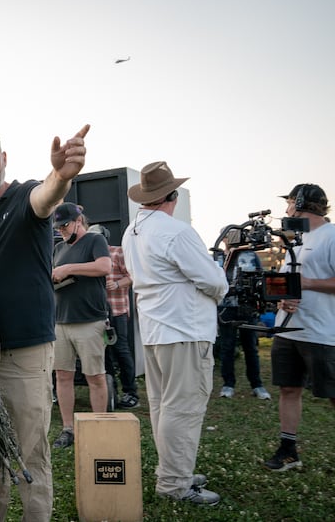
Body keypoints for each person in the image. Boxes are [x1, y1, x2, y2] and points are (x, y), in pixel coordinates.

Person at [0, 124, 90, 521]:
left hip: (26, 352)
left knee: (29, 454)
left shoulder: (25, 197)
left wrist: (61, 176)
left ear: (4, 159)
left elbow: (47, 197)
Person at [122, 161, 228, 506]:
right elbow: (214, 281)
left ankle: (174, 470)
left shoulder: (131, 231)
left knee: (164, 407)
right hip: (186, 329)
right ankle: (175, 483)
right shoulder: (176, 231)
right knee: (182, 408)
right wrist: (220, 286)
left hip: (155, 330)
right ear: (171, 197)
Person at [264, 183, 335, 472]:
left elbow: (306, 282)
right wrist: (282, 299)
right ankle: (288, 450)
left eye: (290, 202)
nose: (286, 209)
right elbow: (286, 283)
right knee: (288, 389)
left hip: (322, 331)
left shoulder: (331, 236)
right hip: (288, 329)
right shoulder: (296, 240)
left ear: (304, 203)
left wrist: (305, 284)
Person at [51, 203, 111, 449]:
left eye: (65, 225)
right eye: (58, 227)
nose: (62, 231)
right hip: (60, 320)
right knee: (63, 376)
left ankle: (99, 427)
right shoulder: (58, 248)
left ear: (78, 221)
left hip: (89, 320)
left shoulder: (95, 240)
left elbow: (104, 267)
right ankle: (68, 429)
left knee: (94, 376)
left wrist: (68, 269)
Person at [89, 223, 139, 409]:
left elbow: (133, 276)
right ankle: (111, 392)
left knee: (121, 350)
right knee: (104, 354)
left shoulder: (117, 252)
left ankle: (131, 392)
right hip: (97, 314)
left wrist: (117, 284)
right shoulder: (89, 256)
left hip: (117, 311)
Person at [217, 247, 271, 400]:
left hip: (248, 307)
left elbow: (260, 277)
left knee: (251, 347)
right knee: (227, 346)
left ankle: (257, 385)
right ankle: (228, 384)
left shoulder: (251, 255)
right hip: (225, 307)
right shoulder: (218, 256)